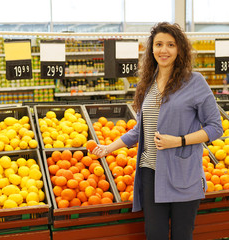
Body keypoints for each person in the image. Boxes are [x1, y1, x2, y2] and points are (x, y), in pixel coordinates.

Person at [92, 22, 223, 240]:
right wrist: (108, 148)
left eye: (170, 45)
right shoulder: (148, 83)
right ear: (151, 49)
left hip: (183, 174)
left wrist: (179, 141)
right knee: (155, 235)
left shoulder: (195, 82)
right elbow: (139, 131)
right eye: (159, 44)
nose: (164, 50)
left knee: (182, 235)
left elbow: (215, 127)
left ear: (179, 49)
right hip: (150, 173)